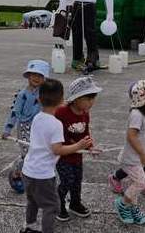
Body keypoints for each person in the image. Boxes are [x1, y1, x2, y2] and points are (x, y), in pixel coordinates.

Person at [20, 79, 92, 233]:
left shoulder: (37, 117)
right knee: (51, 206)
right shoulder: (55, 124)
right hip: (43, 174)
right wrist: (78, 146)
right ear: (61, 100)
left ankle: (29, 226)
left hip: (27, 170)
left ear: (39, 99)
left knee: (32, 201)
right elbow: (57, 150)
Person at [113, 80, 145, 226]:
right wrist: (143, 154)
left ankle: (132, 208)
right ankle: (122, 204)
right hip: (131, 158)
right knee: (142, 182)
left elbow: (143, 133)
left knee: (136, 183)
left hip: (136, 159)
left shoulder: (144, 114)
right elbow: (131, 135)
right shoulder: (136, 114)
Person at [55, 76, 102, 222]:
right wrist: (77, 144)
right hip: (63, 156)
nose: (91, 102)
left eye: (93, 98)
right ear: (76, 98)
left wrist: (90, 147)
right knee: (66, 181)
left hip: (77, 156)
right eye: (88, 99)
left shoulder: (85, 114)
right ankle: (58, 204)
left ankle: (75, 203)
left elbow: (86, 133)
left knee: (77, 180)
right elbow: (58, 136)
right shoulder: (62, 113)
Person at [2, 59, 50, 194]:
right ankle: (17, 173)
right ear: (28, 75)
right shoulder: (22, 94)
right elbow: (14, 112)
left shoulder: (46, 94)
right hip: (25, 127)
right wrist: (7, 129)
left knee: (39, 153)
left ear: (45, 78)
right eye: (33, 74)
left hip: (41, 128)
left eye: (40, 75)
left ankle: (35, 178)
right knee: (27, 154)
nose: (36, 78)